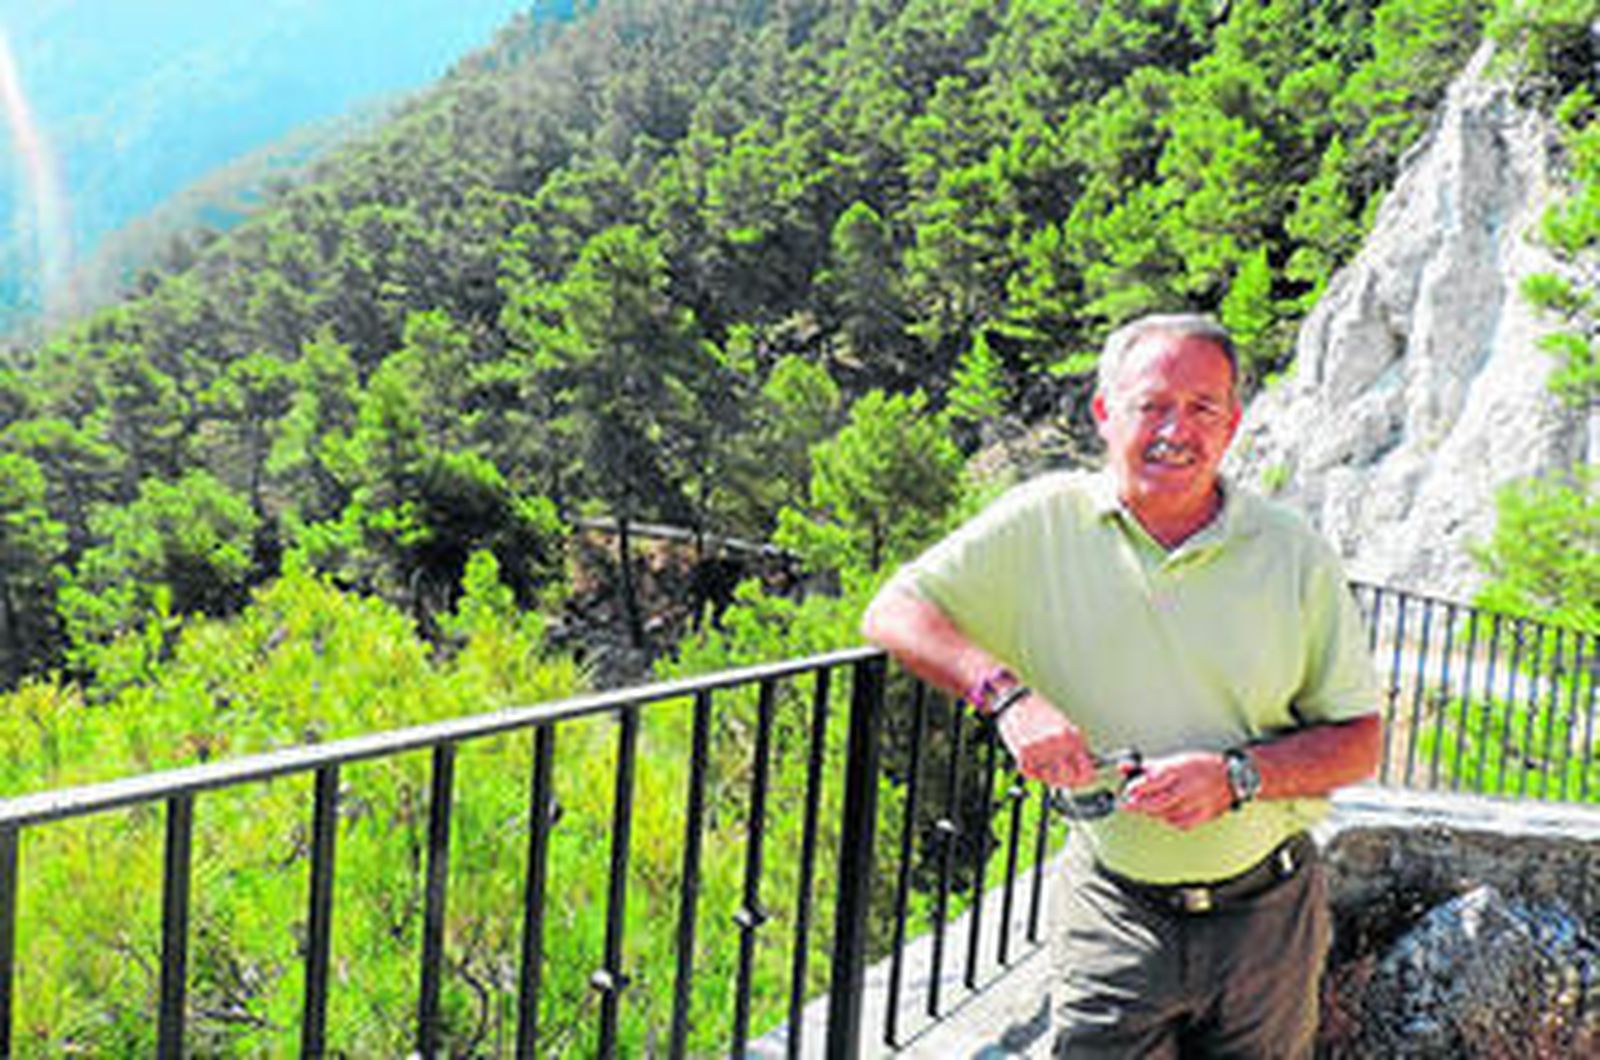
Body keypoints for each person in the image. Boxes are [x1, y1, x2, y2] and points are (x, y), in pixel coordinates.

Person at [861, 313, 1381, 1058]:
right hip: (1114, 907)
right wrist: (1007, 697)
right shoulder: (1046, 521)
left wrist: (1236, 775)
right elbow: (892, 612)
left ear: (1232, 424)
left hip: (1269, 918)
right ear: (1105, 413)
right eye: (1153, 405)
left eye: (1204, 408)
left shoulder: (1294, 553)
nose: (1178, 429)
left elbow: (1359, 743)